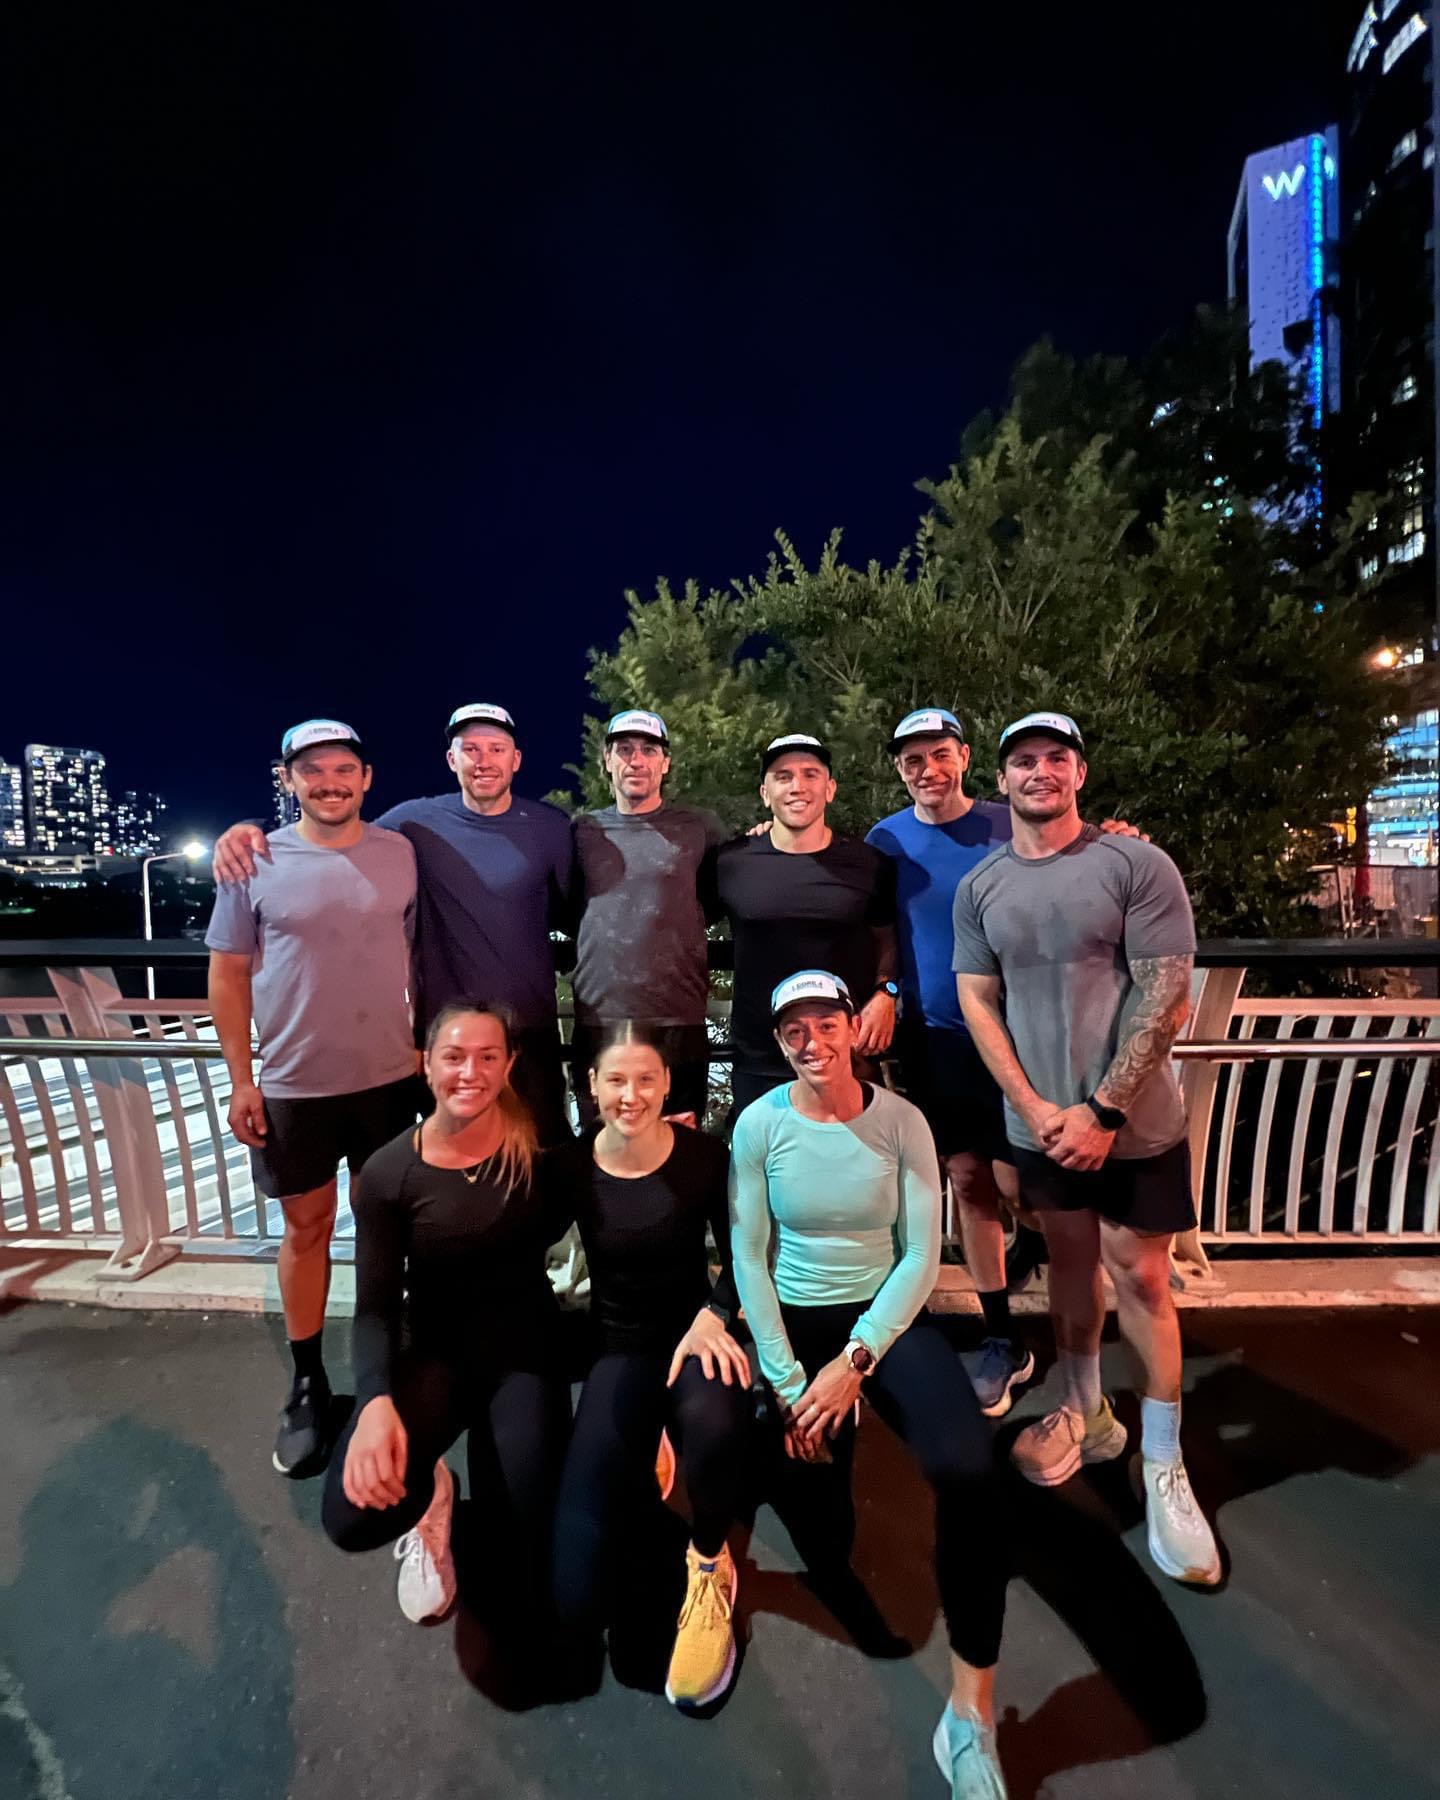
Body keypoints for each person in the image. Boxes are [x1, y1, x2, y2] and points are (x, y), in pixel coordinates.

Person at [953, 711, 1222, 1587]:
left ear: (1079, 772)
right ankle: (1087, 1413)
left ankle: (1164, 1459)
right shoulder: (982, 885)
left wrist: (1103, 1111)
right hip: (1039, 1127)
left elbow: (1166, 992)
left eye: (1055, 757)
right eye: (1023, 760)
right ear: (1001, 779)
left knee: (1142, 1280)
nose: (1039, 771)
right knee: (1068, 1267)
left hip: (1136, 1126)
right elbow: (978, 1000)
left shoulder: (1136, 865)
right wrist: (1033, 1108)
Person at [730, 970, 1010, 1800]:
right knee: (826, 1544)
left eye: (827, 1024)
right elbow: (749, 1257)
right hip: (795, 1323)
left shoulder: (901, 1122)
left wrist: (854, 1365)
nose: (812, 1042)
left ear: (854, 1028)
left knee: (969, 1470)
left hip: (882, 1323)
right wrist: (789, 1382)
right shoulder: (760, 1123)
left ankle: (971, 1713)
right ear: (779, 1042)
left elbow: (920, 1254)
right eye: (795, 1031)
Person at [206, 719, 419, 1477]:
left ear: (367, 778)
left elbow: (420, 948)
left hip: (390, 1078)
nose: (330, 783)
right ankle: (307, 1382)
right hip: (295, 1084)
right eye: (313, 770)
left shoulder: (401, 852)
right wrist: (242, 1079)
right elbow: (228, 973)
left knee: (384, 1228)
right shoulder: (253, 859)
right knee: (307, 1229)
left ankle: (380, 1378)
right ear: (289, 779)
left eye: (343, 769)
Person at [213, 703, 575, 1146]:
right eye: (471, 749)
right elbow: (338, 832)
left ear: (515, 759)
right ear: (452, 759)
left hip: (530, 1033)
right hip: (443, 1040)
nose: (484, 760)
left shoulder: (550, 827)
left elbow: (576, 910)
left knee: (544, 1157)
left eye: (496, 749)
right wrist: (246, 829)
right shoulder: (414, 823)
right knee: (453, 1167)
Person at [321, 1002, 571, 1632]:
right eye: (454, 1057)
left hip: (524, 1349)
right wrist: (374, 1403)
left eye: (488, 1057)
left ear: (509, 1066)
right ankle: (433, 1490)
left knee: (526, 1535)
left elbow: (616, 1190)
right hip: (436, 1350)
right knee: (352, 1517)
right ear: (426, 1065)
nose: (470, 1072)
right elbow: (375, 1308)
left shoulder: (539, 1147)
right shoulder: (389, 1174)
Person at [546, 1024, 752, 1709]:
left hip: (694, 1337)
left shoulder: (704, 1157)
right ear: (591, 1086)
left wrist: (717, 1313)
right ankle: (651, 1446)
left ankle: (709, 1563)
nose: (630, 1095)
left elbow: (746, 1254)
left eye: (645, 1079)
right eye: (615, 1080)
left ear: (667, 1085)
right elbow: (512, 1240)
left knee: (718, 1426)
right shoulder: (571, 1167)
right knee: (574, 1599)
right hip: (618, 1350)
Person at [865, 708, 1029, 1418]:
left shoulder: (1008, 822)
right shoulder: (886, 841)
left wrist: (1120, 839)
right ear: (899, 771)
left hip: (1023, 1033)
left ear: (963, 757)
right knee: (967, 1179)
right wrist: (885, 990)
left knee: (1029, 1189)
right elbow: (881, 932)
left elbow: (1078, 858)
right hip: (935, 1035)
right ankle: (1004, 1337)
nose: (927, 770)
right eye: (913, 760)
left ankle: (1036, 1264)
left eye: (939, 754)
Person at [714, 735, 899, 1118]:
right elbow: (681, 926)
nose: (797, 786)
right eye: (783, 777)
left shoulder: (870, 864)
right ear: (765, 793)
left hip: (848, 1059)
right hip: (759, 1061)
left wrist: (886, 992)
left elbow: (888, 938)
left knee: (857, 1158)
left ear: (829, 789)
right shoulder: (730, 863)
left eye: (810, 774)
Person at [570, 710, 727, 1123]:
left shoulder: (699, 828)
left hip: (678, 1019)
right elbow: (567, 908)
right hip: (600, 1018)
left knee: (682, 1145)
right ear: (607, 760)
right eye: (624, 749)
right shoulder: (582, 831)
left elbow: (716, 900)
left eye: (648, 750)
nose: (636, 760)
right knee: (600, 1146)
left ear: (665, 762)